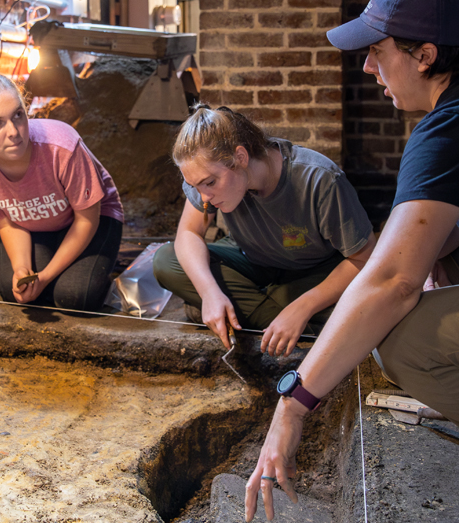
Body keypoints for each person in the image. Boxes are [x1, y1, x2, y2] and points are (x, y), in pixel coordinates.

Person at [244, 0, 459, 523]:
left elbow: (391, 282)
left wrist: (294, 404)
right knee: (445, 255)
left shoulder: (452, 127)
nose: (370, 68)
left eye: (378, 51)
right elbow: (437, 240)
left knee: (405, 340)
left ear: (424, 55)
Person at [152, 104, 377, 355]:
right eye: (194, 186)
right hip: (254, 258)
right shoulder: (208, 186)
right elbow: (188, 233)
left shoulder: (319, 179)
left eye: (210, 183)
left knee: (369, 309)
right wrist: (209, 293)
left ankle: (267, 314)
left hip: (313, 271)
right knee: (166, 260)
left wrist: (303, 306)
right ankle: (282, 320)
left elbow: (366, 256)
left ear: (240, 157)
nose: (203, 198)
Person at [0, 74, 123, 311]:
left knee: (76, 297)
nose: (13, 131)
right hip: (28, 225)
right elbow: (7, 224)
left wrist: (44, 276)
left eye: (18, 115)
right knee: (17, 292)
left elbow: (87, 219)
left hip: (89, 219)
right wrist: (22, 267)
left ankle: (101, 260)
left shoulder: (62, 147)